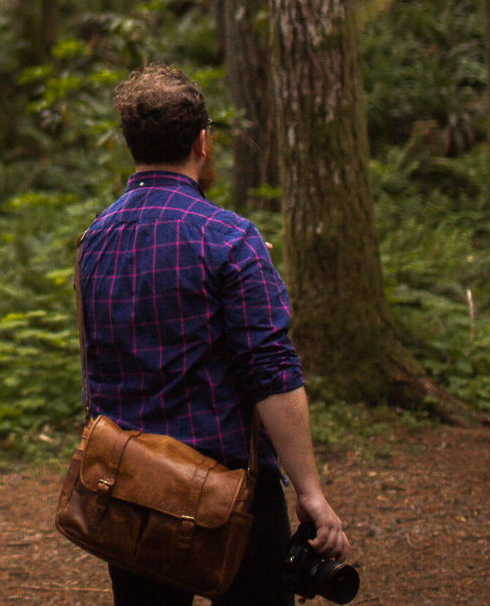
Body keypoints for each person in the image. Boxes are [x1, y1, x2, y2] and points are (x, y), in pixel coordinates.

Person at [76, 65, 349, 606]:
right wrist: (311, 493)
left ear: (131, 145)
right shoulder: (230, 239)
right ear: (203, 142)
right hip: (230, 495)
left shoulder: (93, 240)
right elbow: (271, 373)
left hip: (127, 492)